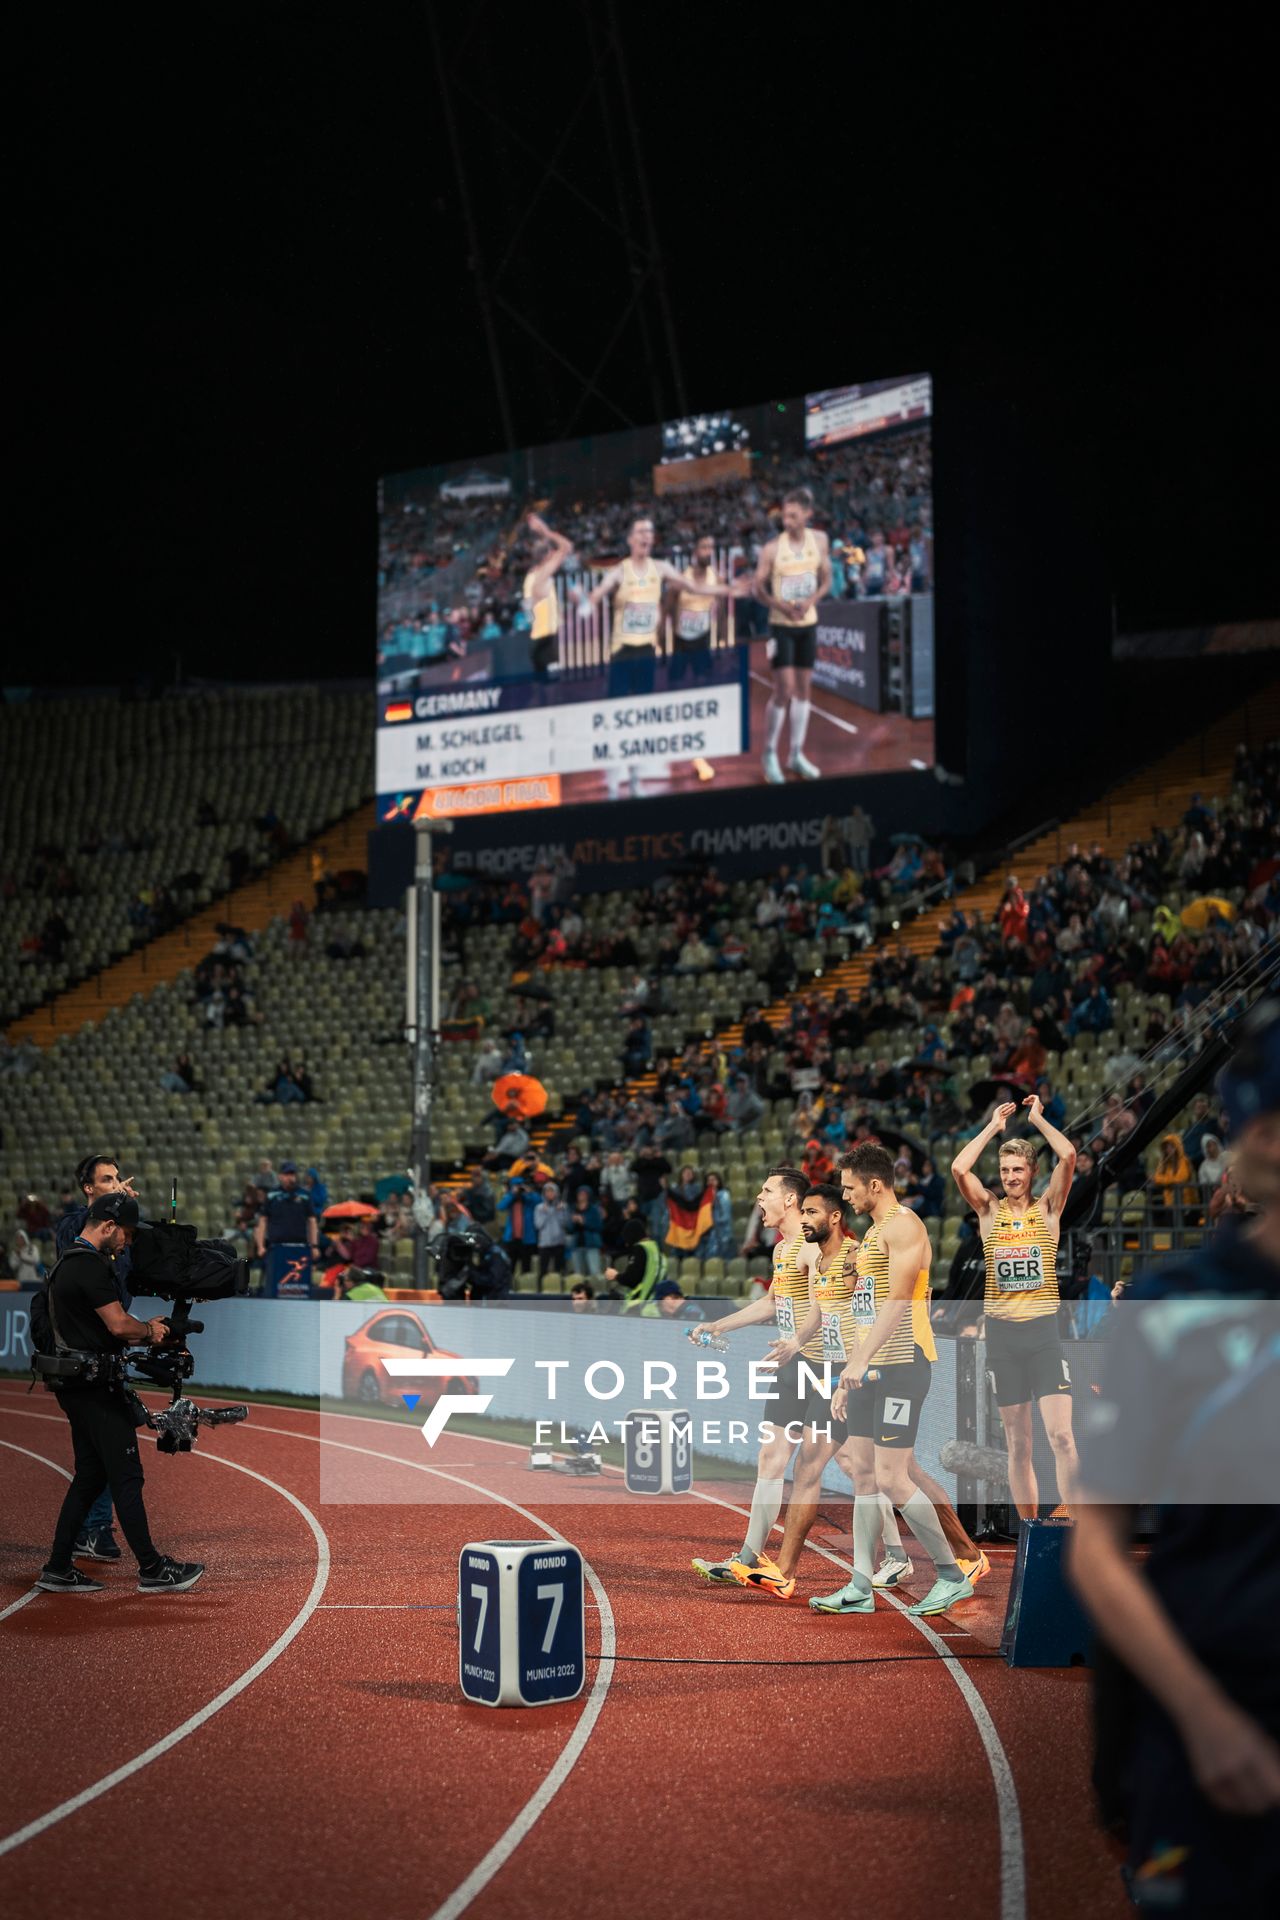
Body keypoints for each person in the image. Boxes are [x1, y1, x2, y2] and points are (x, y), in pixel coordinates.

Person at [1069, 1003, 1280, 1915]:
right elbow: (1097, 1548)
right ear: (1264, 1138)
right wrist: (1202, 1718)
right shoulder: (1173, 1307)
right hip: (1215, 1731)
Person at [806, 1145, 977, 1618]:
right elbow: (864, 1310)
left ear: (874, 1185)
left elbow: (899, 1301)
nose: (845, 1196)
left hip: (902, 1365)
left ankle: (950, 1574)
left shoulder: (904, 1225)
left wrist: (857, 1364)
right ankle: (861, 1584)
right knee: (863, 1474)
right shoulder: (875, 1232)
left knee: (891, 1477)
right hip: (868, 1368)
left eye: (848, 1188)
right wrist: (849, 1372)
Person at [36, 1194, 204, 1595]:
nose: (127, 1242)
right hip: (95, 1389)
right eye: (126, 1233)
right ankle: (152, 1568)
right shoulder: (88, 1266)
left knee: (91, 1476)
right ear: (108, 1225)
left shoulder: (66, 1262)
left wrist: (142, 1329)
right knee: (127, 1476)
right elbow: (117, 1325)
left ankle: (58, 1567)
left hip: (76, 1385)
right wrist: (149, 1330)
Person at [688, 1166, 820, 1590]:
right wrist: (719, 1325)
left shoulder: (815, 1247)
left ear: (791, 1201)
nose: (758, 1199)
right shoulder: (782, 1251)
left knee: (864, 1466)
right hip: (791, 1364)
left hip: (826, 1365)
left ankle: (898, 1556)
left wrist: (798, 1339)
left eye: (766, 1191)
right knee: (771, 1458)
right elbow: (771, 1303)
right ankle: (749, 1557)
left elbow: (830, 1308)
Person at [950, 1093, 1079, 1519]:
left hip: (1042, 1334)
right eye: (1004, 1170)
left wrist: (1037, 1119)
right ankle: (1030, 1531)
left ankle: (1077, 1526)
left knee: (1061, 1436)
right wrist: (993, 1128)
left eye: (1018, 1169)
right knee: (1018, 1444)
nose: (1010, 1176)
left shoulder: (1049, 1208)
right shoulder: (988, 1210)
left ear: (1032, 1172)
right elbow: (958, 1168)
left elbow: (1069, 1154)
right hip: (1003, 1337)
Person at [54, 1152, 139, 1560]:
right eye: (107, 1180)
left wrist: (129, 1220)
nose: (116, 1184)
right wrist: (111, 1213)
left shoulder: (118, 1230)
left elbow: (134, 1271)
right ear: (88, 1188)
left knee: (95, 1462)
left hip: (111, 1341)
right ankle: (99, 1532)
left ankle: (79, 1541)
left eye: (118, 1178)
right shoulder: (74, 1226)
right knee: (103, 1457)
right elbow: (83, 1243)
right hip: (85, 1346)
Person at [575, 514, 740, 701]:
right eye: (641, 531)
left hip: (647, 649)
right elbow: (596, 595)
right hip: (622, 651)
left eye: (649, 532)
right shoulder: (619, 571)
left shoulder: (662, 568)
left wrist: (730, 588)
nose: (646, 535)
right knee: (618, 704)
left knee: (644, 703)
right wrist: (582, 600)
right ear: (630, 539)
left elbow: (693, 587)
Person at [753, 486, 832, 784]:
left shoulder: (820, 541)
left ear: (807, 515)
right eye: (784, 515)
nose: (786, 521)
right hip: (781, 625)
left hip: (807, 624)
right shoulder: (772, 549)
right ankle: (769, 753)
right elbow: (756, 588)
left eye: (793, 516)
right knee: (783, 688)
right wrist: (780, 605)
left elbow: (827, 579)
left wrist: (811, 601)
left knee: (804, 689)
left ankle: (796, 753)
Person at [253, 1161, 319, 1298]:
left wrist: (314, 1246)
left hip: (300, 1248)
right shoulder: (272, 1195)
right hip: (277, 1249)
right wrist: (260, 1246)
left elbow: (312, 1221)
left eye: (293, 1174)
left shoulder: (304, 1195)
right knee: (276, 1288)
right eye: (287, 1174)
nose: (291, 1178)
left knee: (298, 1289)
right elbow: (263, 1221)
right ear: (280, 1176)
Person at [522, 510, 573, 676]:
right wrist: (546, 531)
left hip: (539, 642)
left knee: (544, 694)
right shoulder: (541, 578)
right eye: (551, 553)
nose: (554, 555)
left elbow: (529, 611)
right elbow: (566, 547)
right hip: (546, 642)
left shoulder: (531, 578)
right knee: (554, 692)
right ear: (546, 557)